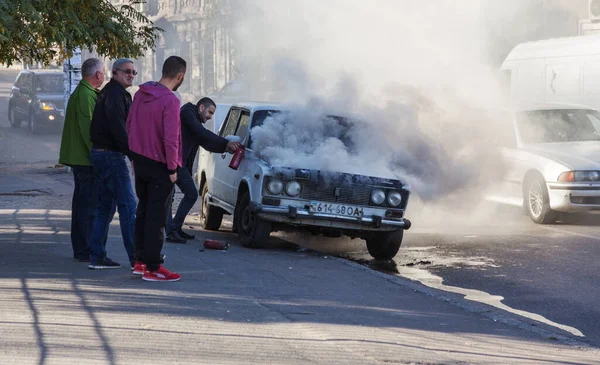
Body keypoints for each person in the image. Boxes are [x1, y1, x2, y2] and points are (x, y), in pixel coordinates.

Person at [127, 56, 187, 282]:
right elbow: (171, 139)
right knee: (157, 217)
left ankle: (140, 262)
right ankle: (153, 267)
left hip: (140, 161)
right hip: (161, 165)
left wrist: (133, 157)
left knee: (142, 212)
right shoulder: (170, 101)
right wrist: (172, 168)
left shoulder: (141, 94)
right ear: (180, 76)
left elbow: (130, 125)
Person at [165, 97, 241, 243]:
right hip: (173, 162)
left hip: (180, 164)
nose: (210, 117)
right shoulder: (187, 112)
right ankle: (172, 229)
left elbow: (206, 144)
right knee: (183, 194)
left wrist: (226, 148)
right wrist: (226, 143)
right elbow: (201, 133)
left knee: (181, 195)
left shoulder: (195, 121)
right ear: (201, 107)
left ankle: (174, 228)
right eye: (210, 112)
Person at [87, 58, 138, 270]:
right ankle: (138, 259)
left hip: (101, 154)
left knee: (105, 208)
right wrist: (133, 155)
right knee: (129, 206)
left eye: (134, 72)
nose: (131, 75)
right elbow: (119, 128)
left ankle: (97, 256)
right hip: (111, 156)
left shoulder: (111, 93)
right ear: (114, 72)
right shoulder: (115, 94)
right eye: (127, 71)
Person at [59, 58, 109, 262]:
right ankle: (84, 249)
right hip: (85, 161)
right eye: (104, 72)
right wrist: (100, 158)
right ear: (97, 75)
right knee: (87, 208)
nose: (104, 75)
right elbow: (90, 132)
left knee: (84, 206)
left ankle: (83, 248)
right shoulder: (85, 96)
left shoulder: (84, 94)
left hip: (81, 159)